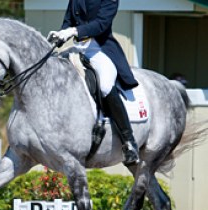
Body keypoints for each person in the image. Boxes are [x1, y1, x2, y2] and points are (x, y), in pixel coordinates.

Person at [47, 0, 140, 165]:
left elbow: (101, 24)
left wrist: (73, 31)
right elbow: (68, 21)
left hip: (100, 49)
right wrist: (59, 35)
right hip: (78, 49)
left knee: (105, 86)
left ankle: (129, 141)